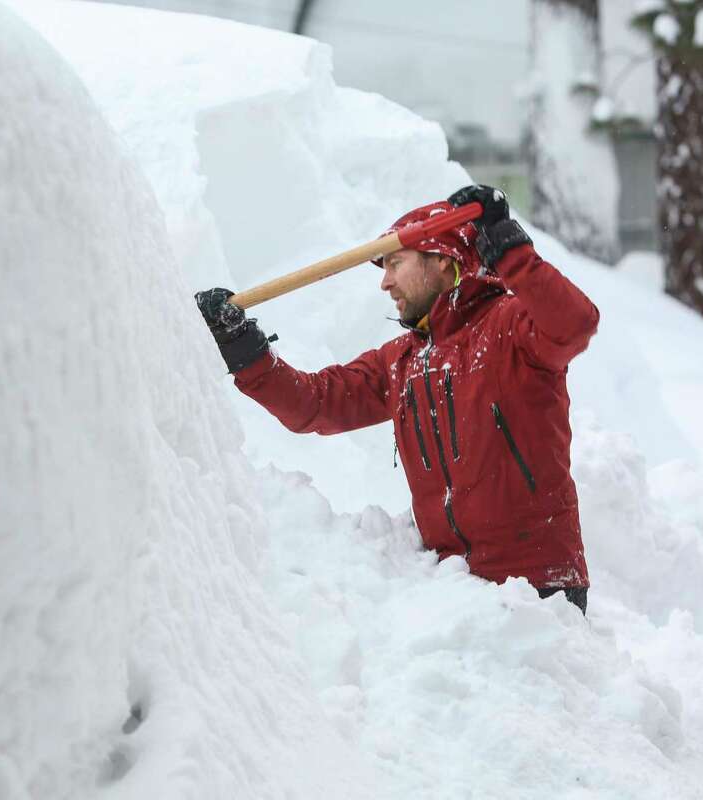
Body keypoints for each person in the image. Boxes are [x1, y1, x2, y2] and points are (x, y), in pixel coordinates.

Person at [195, 185, 599, 614]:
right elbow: (314, 404)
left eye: (394, 264)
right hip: (454, 587)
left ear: (441, 259)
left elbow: (574, 323)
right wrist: (244, 349)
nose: (385, 282)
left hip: (539, 587)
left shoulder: (509, 329)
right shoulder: (403, 362)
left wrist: (507, 244)